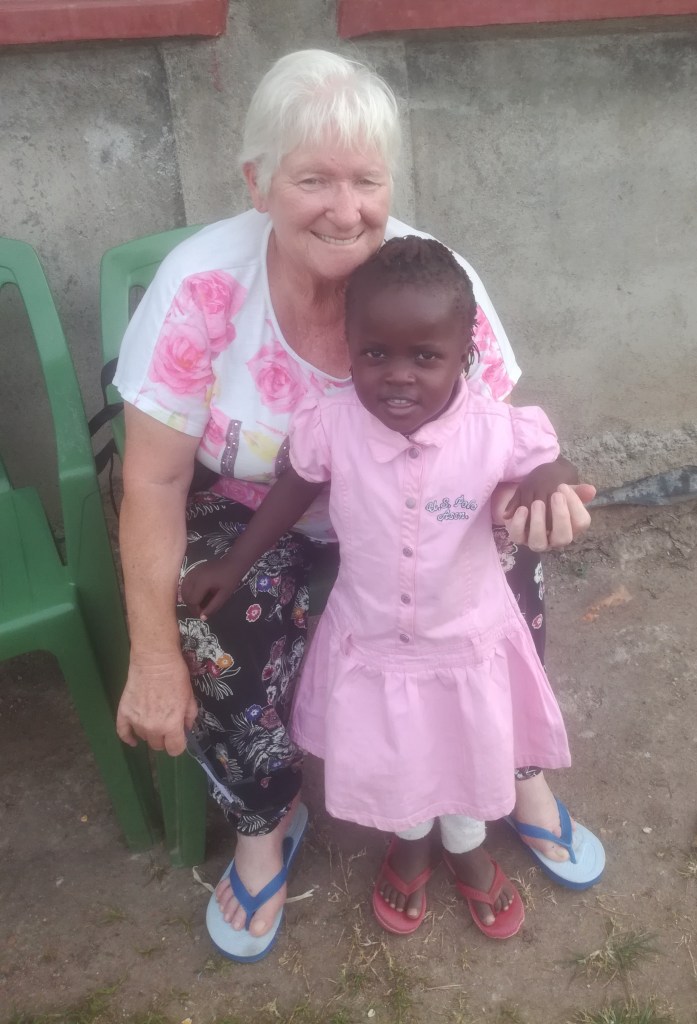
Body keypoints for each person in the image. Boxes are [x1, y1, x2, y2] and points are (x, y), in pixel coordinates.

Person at [113, 49, 602, 961]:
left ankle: (512, 768)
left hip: (422, 506)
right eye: (313, 180)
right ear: (257, 182)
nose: (346, 210)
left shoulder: (432, 277)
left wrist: (537, 492)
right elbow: (153, 480)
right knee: (216, 611)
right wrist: (150, 656)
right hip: (261, 507)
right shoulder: (203, 286)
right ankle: (265, 818)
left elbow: (495, 437)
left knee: (504, 564)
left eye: (366, 181)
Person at [182, 235, 578, 940]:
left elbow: (546, 463)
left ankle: (468, 846)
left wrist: (550, 478)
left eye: (424, 357)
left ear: (465, 354)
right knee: (400, 755)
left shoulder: (494, 430)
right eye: (374, 354)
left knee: (467, 745)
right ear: (349, 347)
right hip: (374, 640)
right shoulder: (333, 425)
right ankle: (410, 843)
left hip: (464, 642)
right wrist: (233, 564)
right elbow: (291, 491)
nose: (397, 376)